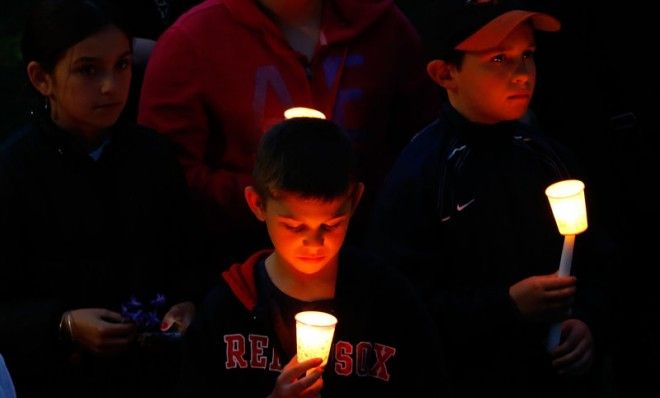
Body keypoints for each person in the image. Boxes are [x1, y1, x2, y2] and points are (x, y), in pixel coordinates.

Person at [368, 1, 614, 396]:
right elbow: (399, 303)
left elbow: (601, 261)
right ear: (445, 73)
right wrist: (507, 306)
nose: (522, 74)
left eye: (528, 55)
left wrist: (587, 321)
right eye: (499, 58)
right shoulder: (423, 173)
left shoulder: (549, 156)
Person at [137, 0, 441, 269]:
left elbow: (423, 146)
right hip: (232, 265)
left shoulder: (383, 26)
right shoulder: (194, 39)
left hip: (370, 258)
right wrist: (274, 200)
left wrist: (355, 201)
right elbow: (165, 174)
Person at [0, 1, 206, 396]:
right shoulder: (15, 171)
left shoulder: (153, 156)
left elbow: (189, 257)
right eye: (88, 70)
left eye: (123, 65)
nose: (111, 86)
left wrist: (186, 304)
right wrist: (63, 325)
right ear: (42, 78)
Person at [177, 117, 447, 397]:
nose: (314, 243)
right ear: (258, 204)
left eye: (331, 225)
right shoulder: (228, 310)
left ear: (354, 201)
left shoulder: (389, 302)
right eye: (294, 226)